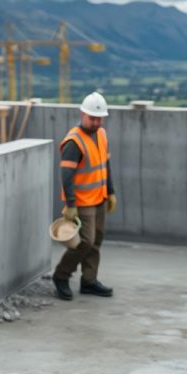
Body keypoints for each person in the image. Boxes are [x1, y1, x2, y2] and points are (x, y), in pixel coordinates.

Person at [52, 92, 117, 300]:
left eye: (99, 118)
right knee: (84, 242)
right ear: (82, 114)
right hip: (82, 202)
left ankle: (89, 280)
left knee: (96, 240)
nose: (96, 122)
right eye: (92, 118)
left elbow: (105, 165)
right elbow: (66, 174)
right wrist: (70, 204)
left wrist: (111, 191)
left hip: (99, 197)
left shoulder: (102, 135)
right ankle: (61, 275)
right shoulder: (74, 141)